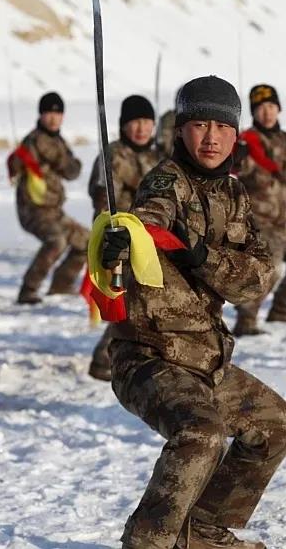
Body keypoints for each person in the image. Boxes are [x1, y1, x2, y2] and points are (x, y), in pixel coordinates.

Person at [100, 76, 286, 549]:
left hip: (204, 357)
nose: (210, 136)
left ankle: (203, 528)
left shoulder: (233, 195)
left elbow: (256, 280)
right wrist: (120, 243)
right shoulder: (166, 181)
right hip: (150, 357)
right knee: (200, 433)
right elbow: (146, 220)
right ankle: (147, 542)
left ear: (236, 134)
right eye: (198, 124)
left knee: (276, 425)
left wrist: (200, 256)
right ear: (180, 131)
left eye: (220, 126)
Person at [87, 94, 160, 381]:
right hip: (119, 241)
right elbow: (103, 200)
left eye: (146, 122)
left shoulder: (157, 157)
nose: (141, 128)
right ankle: (103, 359)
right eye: (134, 122)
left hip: (152, 240)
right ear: (122, 125)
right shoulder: (112, 156)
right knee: (126, 300)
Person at [233, 84, 286, 336]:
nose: (266, 112)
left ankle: (283, 309)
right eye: (260, 108)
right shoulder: (246, 140)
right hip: (257, 222)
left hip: (280, 223)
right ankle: (246, 320)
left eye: (270, 106)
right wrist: (241, 155)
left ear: (278, 109)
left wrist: (275, 158)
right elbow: (239, 169)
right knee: (270, 268)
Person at [7, 92, 89, 304]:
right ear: (41, 115)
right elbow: (69, 168)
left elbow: (72, 172)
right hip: (34, 211)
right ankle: (28, 289)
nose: (53, 117)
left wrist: (71, 164)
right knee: (56, 241)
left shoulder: (58, 141)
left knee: (88, 242)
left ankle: (61, 284)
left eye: (57, 113)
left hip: (54, 211)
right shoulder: (35, 141)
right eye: (48, 113)